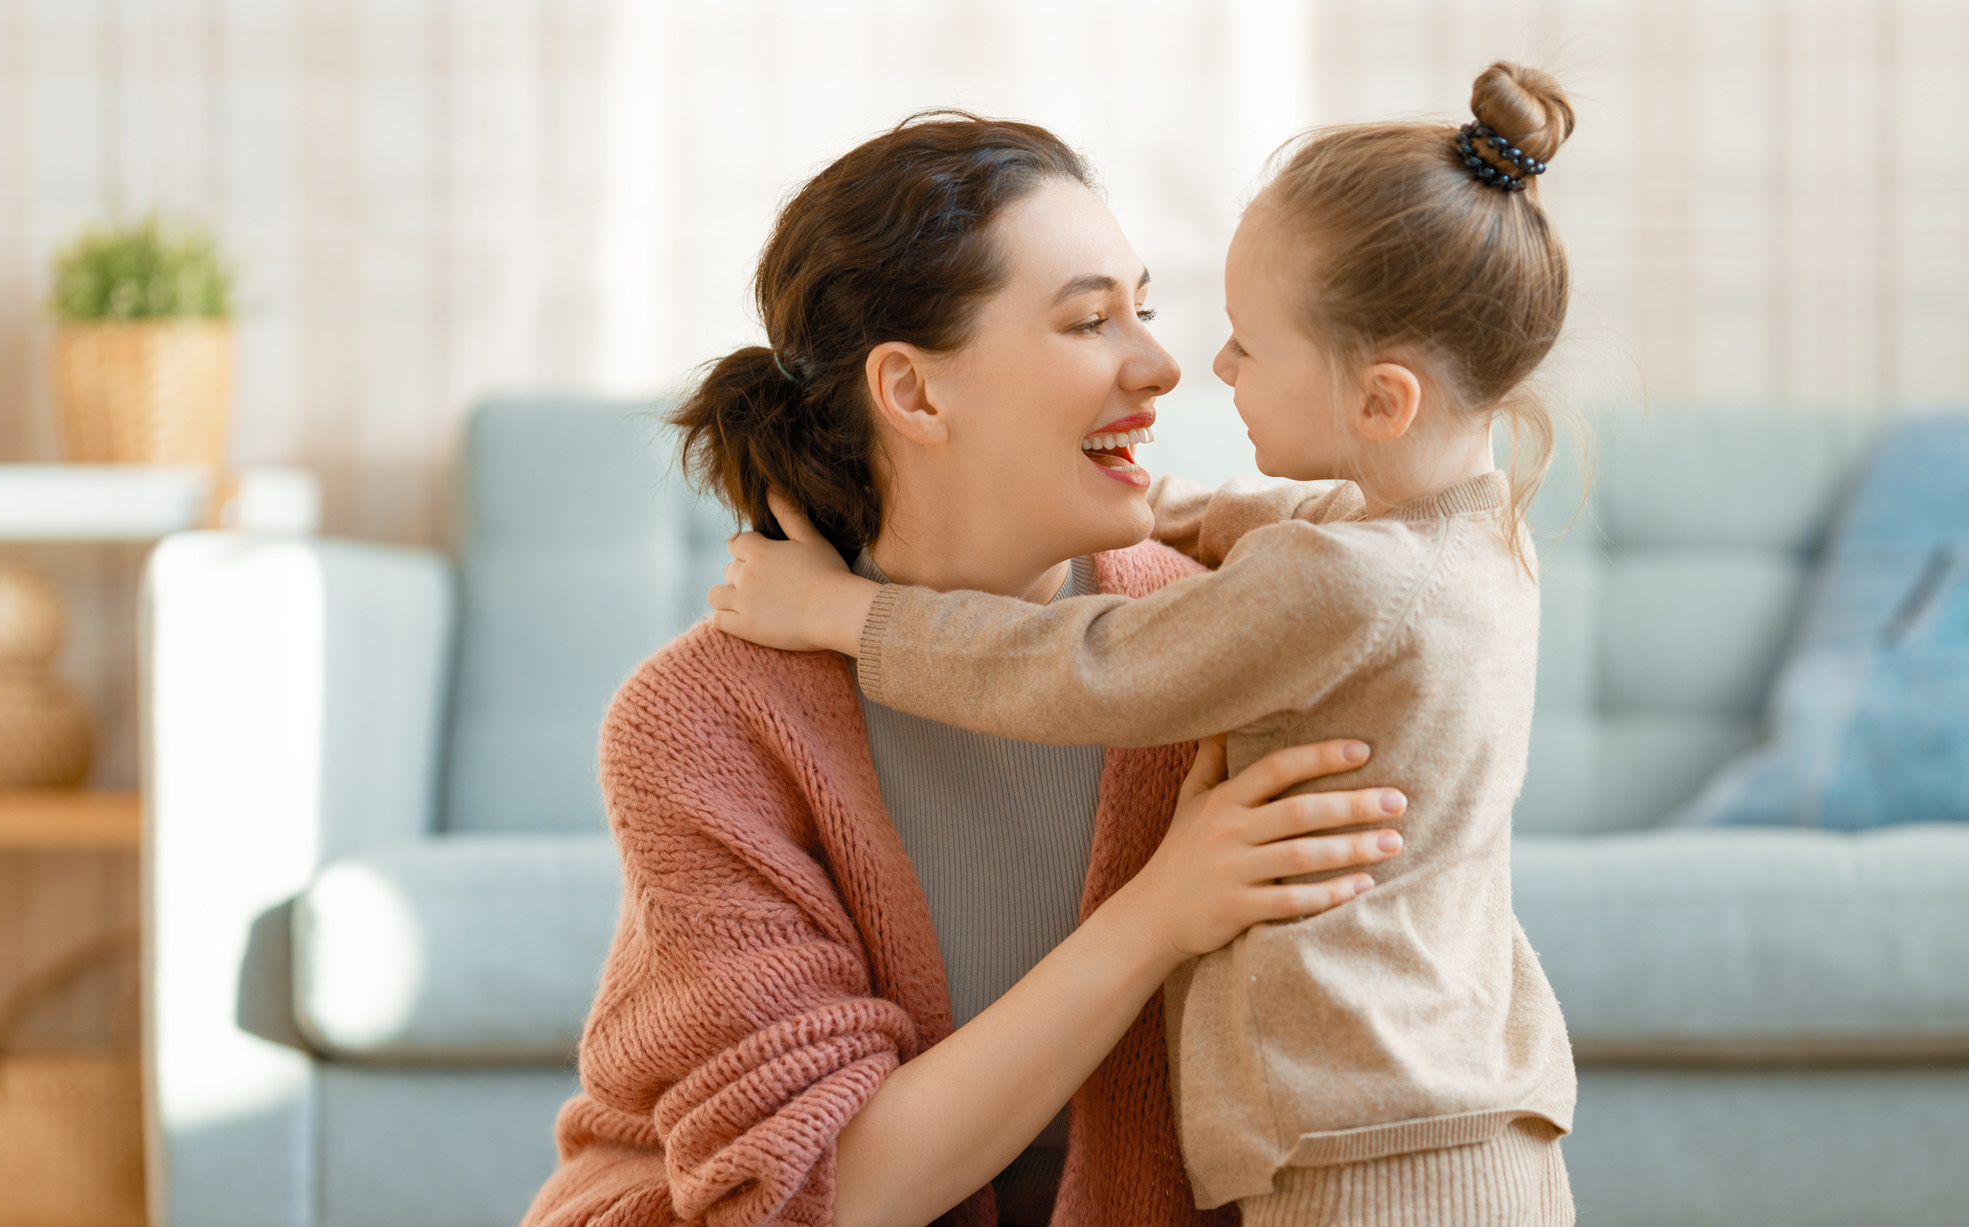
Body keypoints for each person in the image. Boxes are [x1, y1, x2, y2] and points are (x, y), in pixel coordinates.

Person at [709, 63, 1582, 1226]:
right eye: (1090, 318)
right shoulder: (1465, 547)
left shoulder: (1309, 598)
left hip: (1373, 1146)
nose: (1186, 369)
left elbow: (1088, 665)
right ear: (910, 393)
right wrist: (1178, 509)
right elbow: (1308, 536)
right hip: (1440, 1120)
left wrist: (838, 615)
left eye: (1232, 341)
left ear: (1381, 402)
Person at [521, 112, 1405, 1227]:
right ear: (916, 394)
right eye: (1089, 319)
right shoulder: (704, 719)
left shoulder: (1223, 645)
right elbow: (818, 1193)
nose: (1162, 364)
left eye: (1144, 308)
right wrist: (1162, 910)